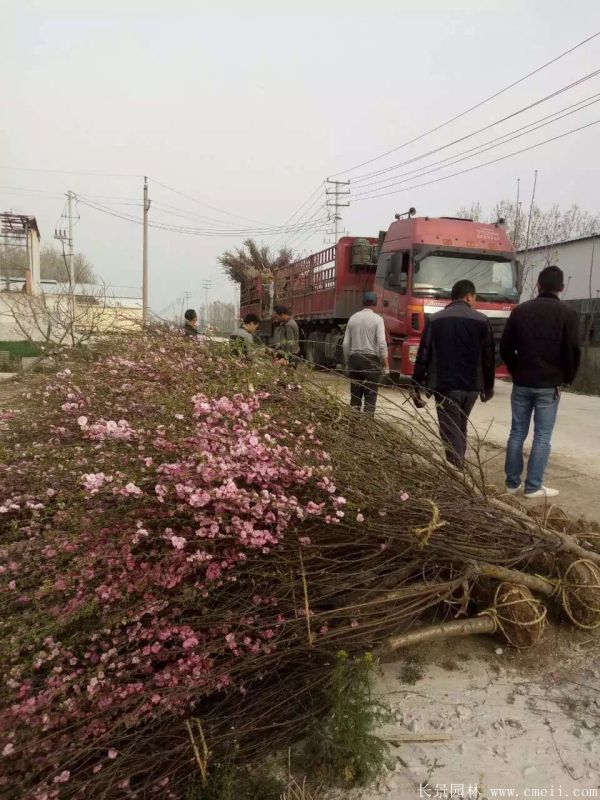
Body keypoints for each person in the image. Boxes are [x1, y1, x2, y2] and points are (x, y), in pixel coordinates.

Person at [500, 265, 581, 499]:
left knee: (517, 432)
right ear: (562, 288)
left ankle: (511, 483)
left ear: (537, 285)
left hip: (522, 381)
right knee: (542, 436)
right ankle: (533, 486)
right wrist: (567, 377)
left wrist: (516, 370)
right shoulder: (567, 313)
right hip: (549, 384)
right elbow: (572, 351)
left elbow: (505, 346)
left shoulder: (520, 311)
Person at [412, 279, 495, 467]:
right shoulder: (482, 320)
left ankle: (457, 472)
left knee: (450, 430)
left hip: (445, 386)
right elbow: (488, 357)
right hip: (472, 387)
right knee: (459, 427)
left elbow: (423, 354)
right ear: (468, 296)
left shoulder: (435, 320)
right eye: (474, 298)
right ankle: (459, 470)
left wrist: (416, 385)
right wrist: (488, 387)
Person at [342, 291, 389, 415]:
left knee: (355, 397)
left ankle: (353, 427)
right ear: (375, 303)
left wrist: (348, 363)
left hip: (355, 360)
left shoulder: (353, 318)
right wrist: (386, 364)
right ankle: (367, 428)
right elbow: (382, 343)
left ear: (362, 303)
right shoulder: (378, 319)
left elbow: (346, 344)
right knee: (370, 397)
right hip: (371, 362)